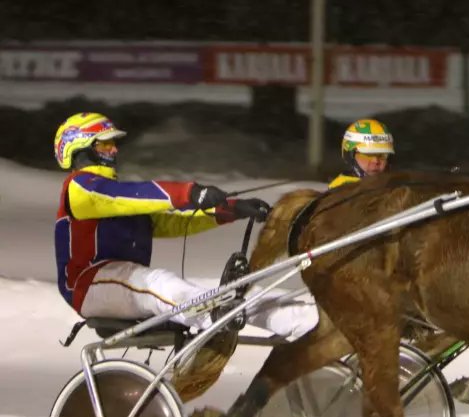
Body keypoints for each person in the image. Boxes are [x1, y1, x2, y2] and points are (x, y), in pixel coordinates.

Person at [53, 111, 318, 341]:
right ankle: (212, 316)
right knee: (158, 283)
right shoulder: (80, 188)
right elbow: (131, 195)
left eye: (113, 144)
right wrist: (189, 192)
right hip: (88, 288)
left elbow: (170, 222)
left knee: (233, 289)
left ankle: (304, 321)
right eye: (105, 145)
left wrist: (229, 210)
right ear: (80, 150)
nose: (114, 150)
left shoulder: (116, 198)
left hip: (124, 283)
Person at [328, 117, 394, 188]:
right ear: (350, 155)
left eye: (382, 155)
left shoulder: (394, 187)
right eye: (368, 154)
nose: (376, 161)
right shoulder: (340, 190)